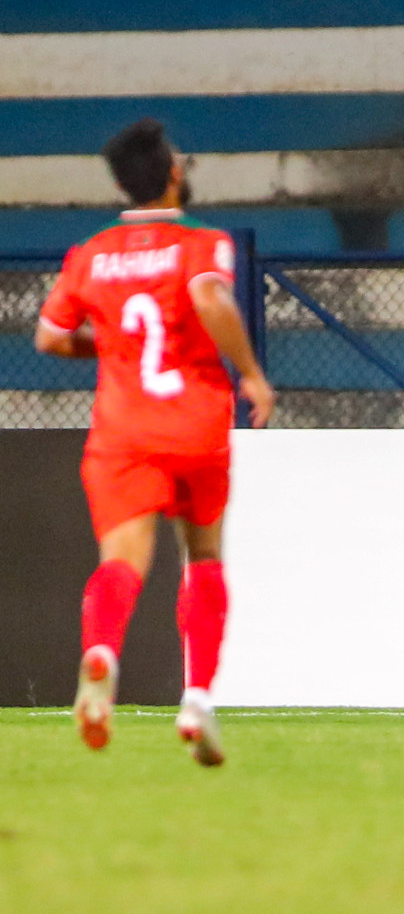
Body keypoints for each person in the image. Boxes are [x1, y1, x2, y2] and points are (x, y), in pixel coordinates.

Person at [34, 118, 275, 766]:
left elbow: (51, 338)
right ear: (172, 173)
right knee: (202, 556)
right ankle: (196, 699)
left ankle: (102, 652)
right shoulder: (200, 243)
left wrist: (111, 344)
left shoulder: (90, 254)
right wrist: (251, 375)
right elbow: (209, 297)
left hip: (124, 431)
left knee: (122, 562)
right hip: (195, 423)